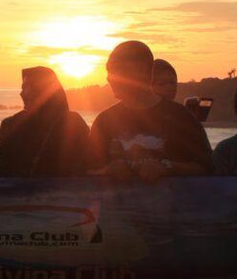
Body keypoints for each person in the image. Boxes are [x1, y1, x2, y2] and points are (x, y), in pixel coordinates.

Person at [89, 41, 213, 182]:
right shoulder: (103, 121)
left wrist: (166, 167)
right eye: (109, 71)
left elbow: (206, 168)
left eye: (116, 70)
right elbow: (87, 170)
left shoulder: (182, 118)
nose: (109, 78)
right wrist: (107, 170)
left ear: (143, 72)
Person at [0, 67, 89, 177]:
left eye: (26, 88)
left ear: (40, 90)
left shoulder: (71, 123)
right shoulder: (15, 124)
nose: (21, 94)